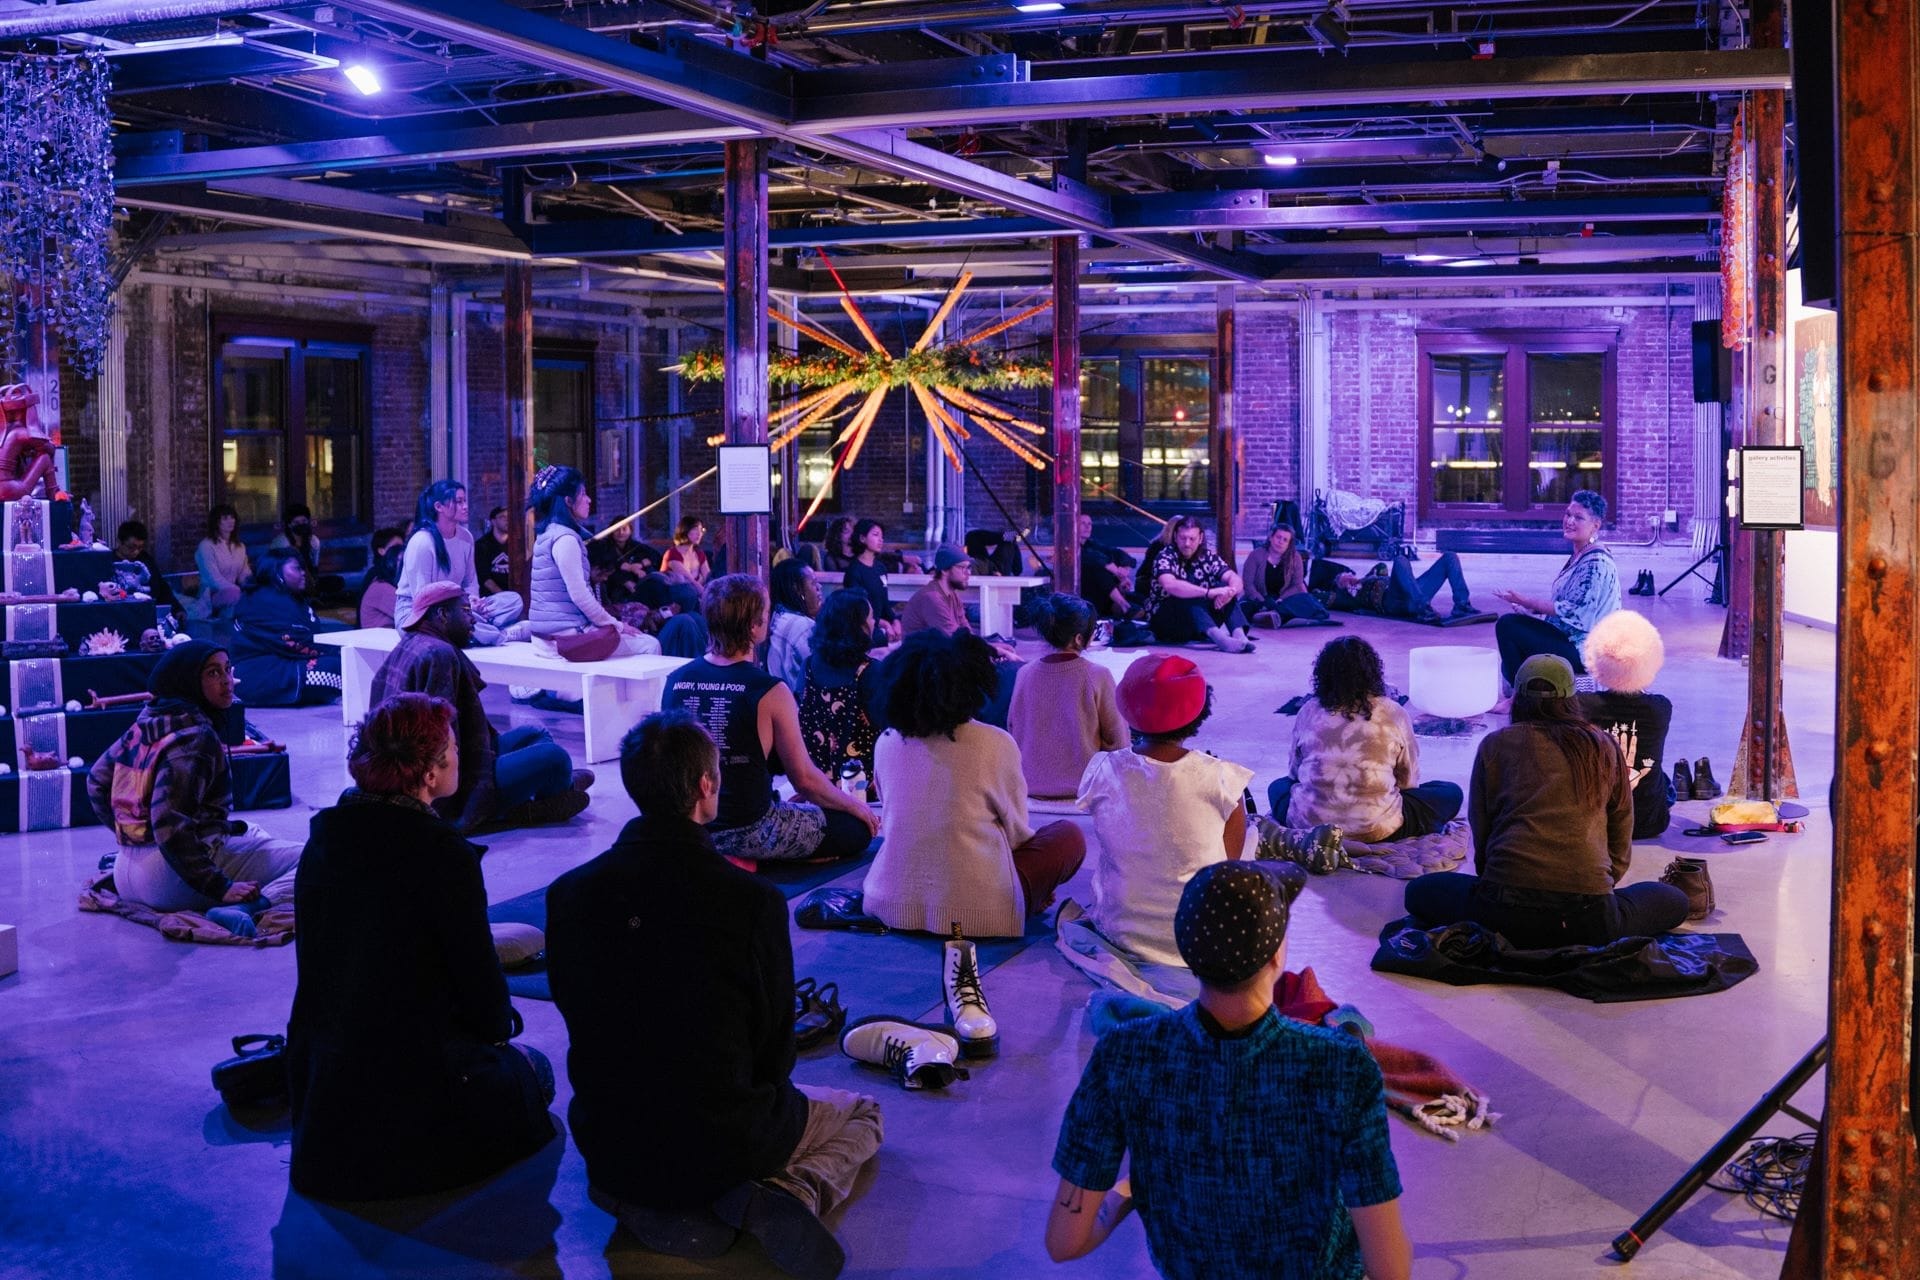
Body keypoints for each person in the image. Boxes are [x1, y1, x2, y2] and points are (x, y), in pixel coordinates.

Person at [548, 710, 882, 1277]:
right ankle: (787, 1192)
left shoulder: (569, 895)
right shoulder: (751, 902)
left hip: (610, 1142)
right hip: (725, 1139)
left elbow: (578, 1014)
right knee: (862, 1114)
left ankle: (652, 1204)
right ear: (707, 786)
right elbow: (776, 1053)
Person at [1048, 860, 1411, 1280]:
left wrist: (1131, 1188)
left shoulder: (1124, 1054)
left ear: (1187, 952)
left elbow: (1065, 1241)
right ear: (1277, 955)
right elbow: (1390, 1270)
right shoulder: (1342, 1065)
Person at [286, 693, 556, 1201]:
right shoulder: (440, 854)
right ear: (429, 774)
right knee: (536, 1073)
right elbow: (480, 989)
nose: (460, 754)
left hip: (323, 1098)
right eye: (453, 746)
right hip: (409, 1096)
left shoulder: (323, 840)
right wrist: (497, 1032)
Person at [1404, 654, 1690, 947]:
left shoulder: (1496, 744)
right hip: (1588, 918)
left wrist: (1495, 881)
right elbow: (1621, 830)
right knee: (1675, 900)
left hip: (1501, 913)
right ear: (1571, 698)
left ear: (1518, 697)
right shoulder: (1602, 745)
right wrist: (1600, 885)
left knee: (1420, 892)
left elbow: (1482, 826)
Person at [862, 629, 1086, 938]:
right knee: (1069, 836)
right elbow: (1017, 835)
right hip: (979, 912)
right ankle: (1026, 899)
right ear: (971, 684)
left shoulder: (886, 741)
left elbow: (893, 819)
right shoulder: (994, 743)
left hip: (886, 902)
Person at [86, 641, 302, 937]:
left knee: (250, 830)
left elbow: (96, 781)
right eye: (213, 673)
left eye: (227, 669)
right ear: (188, 682)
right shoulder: (195, 738)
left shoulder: (148, 722)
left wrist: (135, 836)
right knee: (313, 857)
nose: (226, 680)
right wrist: (220, 887)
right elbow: (170, 825)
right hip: (170, 882)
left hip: (126, 873)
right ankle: (250, 907)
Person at [662, 575, 878, 863]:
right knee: (856, 829)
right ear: (755, 625)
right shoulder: (769, 690)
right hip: (751, 830)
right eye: (766, 612)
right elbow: (803, 779)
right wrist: (857, 808)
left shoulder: (675, 680)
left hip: (690, 828)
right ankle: (759, 862)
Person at [371, 580, 594, 831]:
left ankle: (557, 786)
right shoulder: (439, 655)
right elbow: (441, 743)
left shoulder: (411, 643)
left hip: (445, 760)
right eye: (466, 611)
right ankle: (528, 807)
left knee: (536, 734)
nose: (473, 620)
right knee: (556, 757)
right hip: (450, 783)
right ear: (443, 615)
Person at [1075, 654, 1252, 967]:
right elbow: (1227, 866)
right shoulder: (1222, 779)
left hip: (1119, 932)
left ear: (1126, 708)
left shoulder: (1101, 769)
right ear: (1199, 711)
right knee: (1251, 837)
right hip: (1197, 936)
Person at [1267, 637, 1463, 843]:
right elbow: (1408, 781)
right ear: (1372, 673)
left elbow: (1295, 773)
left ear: (1323, 675)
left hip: (1310, 825)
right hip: (1377, 828)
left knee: (1277, 787)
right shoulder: (1394, 712)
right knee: (1450, 793)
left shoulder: (1309, 710)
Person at [525, 466, 659, 657]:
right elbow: (580, 595)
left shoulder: (548, 533)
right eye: (584, 494)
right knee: (649, 644)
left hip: (549, 636)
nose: (589, 500)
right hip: (565, 640)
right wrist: (617, 625)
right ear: (568, 501)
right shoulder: (565, 540)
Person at [1492, 489, 1620, 686]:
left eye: (1578, 518)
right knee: (1514, 641)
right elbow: (1567, 607)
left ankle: (1520, 696)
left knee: (1508, 625)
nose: (1569, 521)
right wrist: (1530, 612)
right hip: (1572, 639)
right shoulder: (1581, 555)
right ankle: (1526, 691)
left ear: (1595, 525)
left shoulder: (1597, 562)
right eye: (1568, 514)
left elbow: (1579, 614)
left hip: (1585, 651)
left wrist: (1524, 600)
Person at [1006, 594, 1124, 800]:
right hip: (1084, 787)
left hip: (1029, 785)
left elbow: (1013, 729)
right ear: (1079, 638)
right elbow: (1118, 740)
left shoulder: (1024, 673)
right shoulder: (1097, 674)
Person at [1577, 609, 1675, 839]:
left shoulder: (1582, 706)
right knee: (1662, 777)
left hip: (1597, 823)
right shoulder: (1660, 708)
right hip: (1650, 821)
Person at [395, 480, 527, 648]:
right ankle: (499, 634)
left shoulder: (466, 537)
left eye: (464, 501)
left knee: (513, 600)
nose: (465, 506)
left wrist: (473, 602)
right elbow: (423, 599)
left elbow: (470, 581)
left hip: (458, 608)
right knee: (450, 623)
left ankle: (477, 629)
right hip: (418, 615)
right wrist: (464, 607)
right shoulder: (422, 541)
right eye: (458, 501)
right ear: (439, 507)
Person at [229, 550, 342, 707]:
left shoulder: (287, 598)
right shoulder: (264, 600)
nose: (303, 573)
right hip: (257, 675)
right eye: (296, 568)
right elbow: (292, 642)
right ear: (276, 571)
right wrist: (338, 651)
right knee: (339, 668)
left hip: (278, 664)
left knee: (343, 662)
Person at [798, 588, 886, 786]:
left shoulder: (808, 666)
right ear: (858, 626)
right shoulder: (870, 672)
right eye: (870, 618)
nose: (874, 622)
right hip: (863, 786)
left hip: (814, 783)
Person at [1146, 516, 1251, 653]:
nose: (1187, 543)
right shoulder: (1165, 556)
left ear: (1200, 538)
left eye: (1192, 539)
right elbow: (1170, 585)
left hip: (1198, 623)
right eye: (1183, 538)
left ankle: (1240, 636)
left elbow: (1234, 577)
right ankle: (1221, 640)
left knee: (1225, 588)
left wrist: (1230, 592)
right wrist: (1208, 592)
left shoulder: (1208, 556)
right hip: (1168, 621)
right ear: (1176, 536)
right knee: (1185, 592)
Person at [1314, 550, 1480, 624]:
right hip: (1393, 601)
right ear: (1338, 586)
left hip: (1413, 592)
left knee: (1450, 557)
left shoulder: (1369, 577)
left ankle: (1462, 605)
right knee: (1400, 560)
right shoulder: (1345, 597)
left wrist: (1362, 579)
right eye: (1343, 578)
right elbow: (1318, 596)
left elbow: (1380, 566)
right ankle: (1423, 609)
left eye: (1349, 574)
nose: (1349, 577)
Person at [1240, 522, 1330, 626]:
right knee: (1244, 607)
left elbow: (1297, 585)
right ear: (1271, 537)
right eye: (1278, 537)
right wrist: (1262, 601)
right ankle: (1277, 616)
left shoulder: (1295, 558)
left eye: (1285, 540)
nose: (1280, 542)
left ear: (1289, 544)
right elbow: (1248, 584)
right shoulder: (1255, 555)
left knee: (1308, 601)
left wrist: (1280, 599)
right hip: (1259, 599)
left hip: (1283, 599)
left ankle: (1274, 615)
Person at [765, 558, 822, 694]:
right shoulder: (802, 626)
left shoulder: (779, 617)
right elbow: (821, 675)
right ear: (797, 589)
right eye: (813, 583)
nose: (819, 587)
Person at [842, 518, 901, 644]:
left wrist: (895, 621)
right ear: (862, 538)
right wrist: (883, 624)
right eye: (875, 535)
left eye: (882, 536)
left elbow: (885, 603)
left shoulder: (880, 568)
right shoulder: (854, 571)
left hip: (880, 625)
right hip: (863, 629)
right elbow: (857, 610)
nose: (881, 540)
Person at [269, 503, 344, 598]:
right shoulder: (282, 543)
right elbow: (274, 569)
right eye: (296, 522)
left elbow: (314, 567)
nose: (301, 525)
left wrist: (311, 582)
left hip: (306, 580)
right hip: (285, 580)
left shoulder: (314, 541)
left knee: (337, 582)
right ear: (289, 525)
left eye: (304, 521)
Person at [191, 504, 250, 620]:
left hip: (234, 591)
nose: (230, 521)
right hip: (211, 594)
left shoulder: (240, 547)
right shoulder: (206, 546)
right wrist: (237, 590)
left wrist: (252, 586)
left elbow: (245, 574)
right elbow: (212, 578)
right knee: (234, 594)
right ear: (216, 522)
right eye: (225, 518)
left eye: (232, 517)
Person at [1076, 513, 1137, 619]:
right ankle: (1124, 605)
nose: (1087, 527)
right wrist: (1115, 571)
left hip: (1100, 592)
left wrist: (1124, 573)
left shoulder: (1091, 544)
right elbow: (1094, 558)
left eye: (1090, 524)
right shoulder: (1070, 546)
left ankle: (1123, 605)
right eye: (1083, 523)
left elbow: (1116, 552)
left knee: (1106, 562)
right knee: (1098, 569)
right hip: (1083, 591)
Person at [113, 519, 181, 611]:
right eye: (131, 547)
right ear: (119, 542)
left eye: (140, 547)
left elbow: (161, 587)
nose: (136, 552)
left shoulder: (145, 559)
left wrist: (177, 609)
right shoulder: (110, 561)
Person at [588, 517, 662, 589]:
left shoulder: (635, 545)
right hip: (612, 585)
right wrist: (629, 568)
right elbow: (606, 562)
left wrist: (640, 564)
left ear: (630, 531)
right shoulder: (603, 545)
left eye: (624, 529)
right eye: (617, 529)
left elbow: (655, 556)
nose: (621, 532)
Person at [356, 529, 405, 631]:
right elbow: (410, 616)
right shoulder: (380, 583)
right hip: (377, 643)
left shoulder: (386, 579)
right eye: (396, 548)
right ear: (381, 551)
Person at [472, 504, 513, 597]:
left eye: (508, 516)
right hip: (491, 598)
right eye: (502, 517)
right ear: (493, 521)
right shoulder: (482, 545)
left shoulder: (516, 544)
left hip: (514, 596)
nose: (507, 520)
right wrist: (503, 596)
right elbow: (484, 577)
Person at [662, 516, 711, 586]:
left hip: (695, 594)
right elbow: (690, 582)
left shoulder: (699, 554)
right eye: (695, 529)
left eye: (701, 530)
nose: (699, 534)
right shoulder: (672, 554)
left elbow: (708, 579)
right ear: (685, 530)